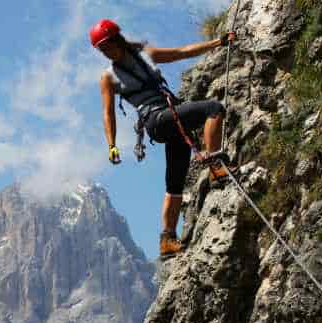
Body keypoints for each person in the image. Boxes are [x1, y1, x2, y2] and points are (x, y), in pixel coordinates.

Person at [90, 19, 236, 258]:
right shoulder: (108, 77)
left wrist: (218, 43)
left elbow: (181, 52)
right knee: (214, 108)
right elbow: (108, 113)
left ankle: (167, 239)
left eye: (107, 46)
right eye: (101, 50)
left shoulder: (145, 55)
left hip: (170, 118)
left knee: (175, 182)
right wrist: (112, 146)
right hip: (157, 121)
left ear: (117, 39)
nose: (106, 52)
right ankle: (215, 165)